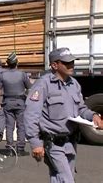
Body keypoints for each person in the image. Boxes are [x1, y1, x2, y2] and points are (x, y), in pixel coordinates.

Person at [24, 47, 103, 182]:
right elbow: (31, 114)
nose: (71, 65)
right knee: (67, 180)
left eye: (72, 62)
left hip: (71, 143)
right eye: (67, 63)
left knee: (60, 178)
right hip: (53, 144)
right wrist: (35, 143)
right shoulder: (43, 84)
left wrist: (93, 116)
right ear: (54, 65)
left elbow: (81, 109)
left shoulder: (74, 84)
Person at [0, 52, 32, 156]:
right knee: (21, 126)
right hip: (20, 102)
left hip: (7, 102)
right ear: (17, 62)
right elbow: (29, 88)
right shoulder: (22, 74)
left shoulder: (3, 75)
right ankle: (20, 148)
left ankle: (10, 148)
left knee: (9, 126)